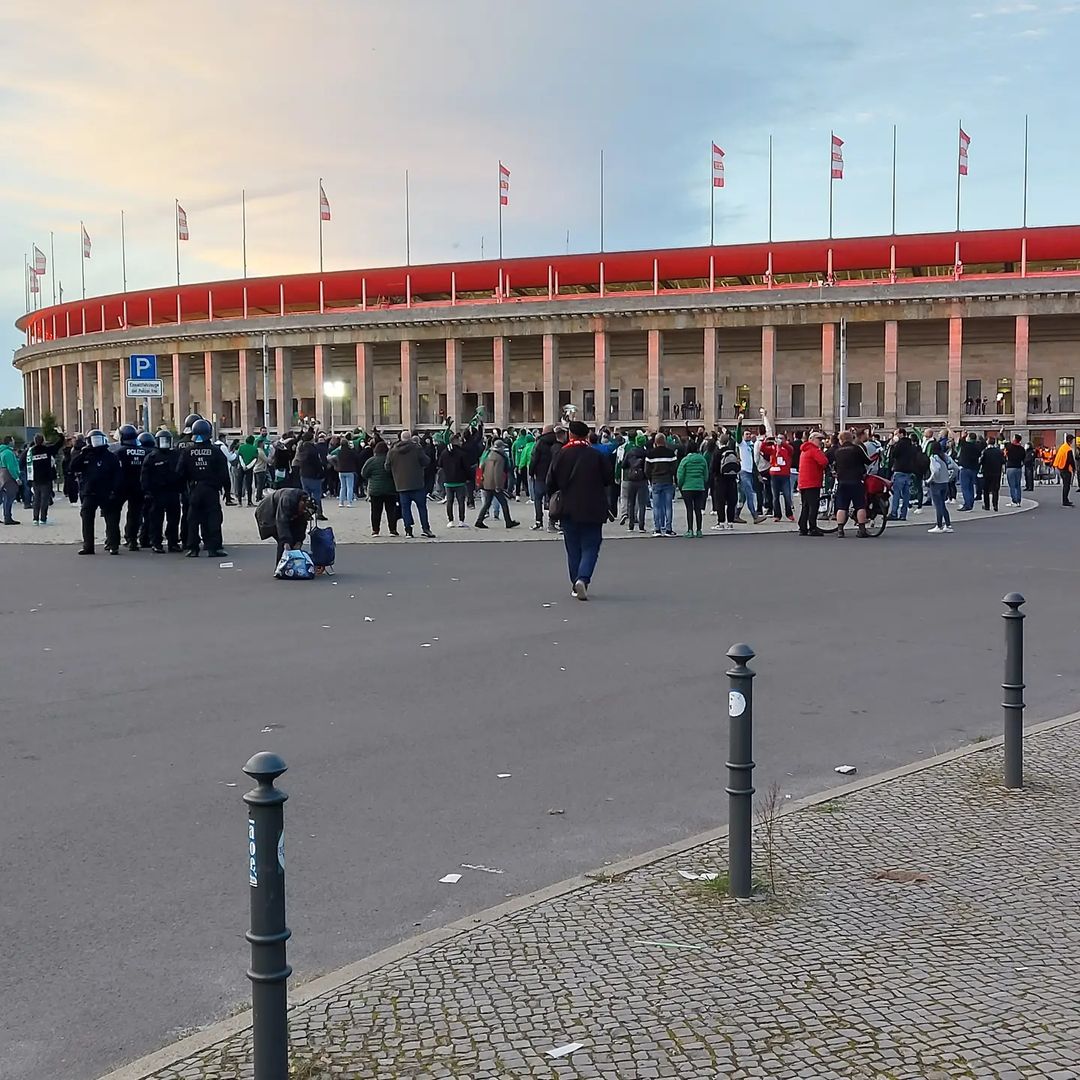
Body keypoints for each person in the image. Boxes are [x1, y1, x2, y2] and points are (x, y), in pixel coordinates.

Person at [546, 420, 615, 601]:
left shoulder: (561, 454)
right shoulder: (596, 455)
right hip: (593, 506)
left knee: (573, 548)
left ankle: (575, 583)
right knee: (591, 546)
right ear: (586, 436)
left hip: (568, 507)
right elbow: (609, 478)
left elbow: (550, 482)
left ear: (570, 435)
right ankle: (583, 578)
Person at [176, 418, 230, 557]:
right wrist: (227, 492)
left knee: (193, 519)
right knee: (213, 518)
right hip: (211, 490)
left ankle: (193, 548)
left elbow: (180, 473)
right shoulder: (216, 451)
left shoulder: (187, 452)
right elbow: (224, 474)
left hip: (194, 489)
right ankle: (214, 548)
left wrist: (184, 489)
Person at [70, 429, 122, 553]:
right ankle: (88, 546)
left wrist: (115, 491)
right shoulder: (87, 455)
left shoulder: (111, 456)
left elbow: (118, 475)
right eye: (94, 440)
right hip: (90, 492)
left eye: (99, 440)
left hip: (107, 492)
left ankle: (113, 545)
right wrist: (82, 454)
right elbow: (73, 467)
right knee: (87, 518)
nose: (96, 443)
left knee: (112, 520)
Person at [141, 428, 183, 553]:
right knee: (156, 520)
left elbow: (181, 472)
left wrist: (181, 488)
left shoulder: (176, 455)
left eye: (167, 441)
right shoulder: (152, 457)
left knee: (174, 519)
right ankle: (156, 543)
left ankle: (173, 542)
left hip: (173, 492)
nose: (165, 443)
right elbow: (145, 476)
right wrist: (147, 491)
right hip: (157, 493)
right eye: (162, 441)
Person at [387, 432, 435, 538]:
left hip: (401, 484)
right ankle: (426, 529)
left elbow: (387, 466)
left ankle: (408, 530)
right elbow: (426, 461)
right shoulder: (417, 449)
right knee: (422, 507)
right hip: (417, 483)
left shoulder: (393, 450)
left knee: (405, 508)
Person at [255, 488, 317, 565]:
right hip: (267, 512)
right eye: (303, 510)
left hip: (282, 512)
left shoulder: (302, 503)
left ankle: (292, 566)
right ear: (302, 502)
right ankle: (281, 567)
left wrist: (299, 541)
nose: (303, 512)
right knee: (284, 541)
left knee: (294, 540)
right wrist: (286, 542)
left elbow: (302, 524)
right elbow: (281, 522)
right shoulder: (287, 499)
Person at [112, 424, 150, 550]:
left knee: (114, 514)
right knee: (135, 514)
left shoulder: (119, 452)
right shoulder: (144, 452)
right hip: (139, 487)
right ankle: (132, 540)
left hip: (121, 487)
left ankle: (113, 541)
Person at [832, 430, 870, 538]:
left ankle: (840, 530)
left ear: (841, 440)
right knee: (860, 505)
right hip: (856, 480)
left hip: (842, 481)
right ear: (851, 438)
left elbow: (834, 466)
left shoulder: (838, 451)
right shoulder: (856, 449)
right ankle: (862, 529)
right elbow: (868, 460)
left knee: (842, 506)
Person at [475, 438, 520, 529]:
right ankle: (508, 522)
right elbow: (497, 473)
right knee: (503, 503)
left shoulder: (488, 454)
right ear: (500, 447)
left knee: (487, 503)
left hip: (487, 483)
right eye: (503, 447)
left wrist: (479, 481)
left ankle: (479, 521)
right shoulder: (500, 458)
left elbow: (481, 467)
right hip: (494, 484)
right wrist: (498, 486)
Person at [361, 439, 400, 536]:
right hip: (390, 489)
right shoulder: (391, 460)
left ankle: (375, 530)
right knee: (391, 510)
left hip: (375, 489)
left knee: (375, 511)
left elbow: (364, 473)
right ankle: (392, 530)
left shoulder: (371, 461)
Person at [27, 430, 64, 525]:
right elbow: (59, 443)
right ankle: (43, 518)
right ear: (43, 441)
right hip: (46, 478)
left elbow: (23, 462)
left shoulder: (31, 451)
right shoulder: (47, 450)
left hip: (35, 478)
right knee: (44, 499)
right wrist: (60, 434)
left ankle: (35, 518)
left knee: (36, 499)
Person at [644, 432, 677, 537]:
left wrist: (650, 479)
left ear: (655, 442)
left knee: (656, 507)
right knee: (668, 506)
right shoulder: (671, 453)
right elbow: (674, 469)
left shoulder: (650, 454)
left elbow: (646, 470)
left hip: (655, 481)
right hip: (667, 481)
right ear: (665, 441)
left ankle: (657, 529)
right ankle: (668, 529)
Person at [797, 431, 829, 537]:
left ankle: (802, 527)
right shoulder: (814, 450)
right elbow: (824, 461)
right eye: (819, 439)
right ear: (812, 439)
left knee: (805, 506)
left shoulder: (805, 450)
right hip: (812, 481)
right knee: (813, 506)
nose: (821, 442)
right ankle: (812, 527)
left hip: (803, 482)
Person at [529, 424, 561, 530]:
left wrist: (531, 472)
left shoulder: (539, 443)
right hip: (553, 476)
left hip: (540, 475)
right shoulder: (557, 443)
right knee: (554, 500)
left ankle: (539, 521)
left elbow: (534, 459)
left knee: (538, 499)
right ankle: (552, 522)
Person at [438, 433, 471, 527]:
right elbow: (466, 467)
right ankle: (461, 520)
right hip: (460, 481)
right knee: (461, 501)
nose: (461, 442)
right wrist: (468, 478)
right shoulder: (462, 453)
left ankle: (450, 521)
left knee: (449, 501)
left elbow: (440, 463)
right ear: (455, 441)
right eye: (459, 440)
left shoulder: (444, 452)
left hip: (448, 480)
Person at [675, 440, 708, 537]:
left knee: (689, 509)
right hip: (699, 487)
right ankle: (699, 530)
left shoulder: (685, 460)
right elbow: (706, 475)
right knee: (698, 509)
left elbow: (680, 475)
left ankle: (690, 530)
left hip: (687, 487)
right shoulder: (702, 459)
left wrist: (680, 485)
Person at [709, 434, 740, 530]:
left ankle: (721, 522)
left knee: (720, 502)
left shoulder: (717, 452)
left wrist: (714, 476)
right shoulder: (733, 452)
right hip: (732, 480)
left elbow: (713, 467)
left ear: (720, 441)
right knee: (731, 501)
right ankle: (730, 523)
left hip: (720, 480)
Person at [927, 442, 958, 533]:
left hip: (936, 483)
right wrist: (950, 478)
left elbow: (935, 470)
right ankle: (948, 524)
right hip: (945, 483)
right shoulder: (946, 456)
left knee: (938, 505)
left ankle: (939, 525)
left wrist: (929, 480)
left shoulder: (933, 458)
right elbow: (956, 468)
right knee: (942, 504)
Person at [887, 429, 917, 521]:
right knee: (906, 494)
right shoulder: (911, 445)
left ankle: (894, 513)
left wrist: (892, 446)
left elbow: (894, 455)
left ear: (901, 434)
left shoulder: (899, 444)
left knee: (896, 493)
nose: (895, 435)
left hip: (899, 469)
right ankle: (903, 514)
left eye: (896, 434)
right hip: (909, 471)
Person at [620, 433, 649, 531]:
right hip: (643, 479)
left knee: (630, 502)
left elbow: (623, 465)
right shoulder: (646, 453)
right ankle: (641, 526)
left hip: (631, 479)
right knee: (641, 504)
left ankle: (631, 525)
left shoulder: (630, 452)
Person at [295, 432, 326, 519]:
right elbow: (317, 463)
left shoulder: (301, 448)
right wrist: (322, 474)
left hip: (304, 474)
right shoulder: (313, 450)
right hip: (314, 475)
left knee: (306, 495)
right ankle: (318, 512)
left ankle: (307, 513)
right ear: (311, 439)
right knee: (316, 495)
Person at [956, 431, 982, 511]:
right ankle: (970, 503)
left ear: (969, 438)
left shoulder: (965, 445)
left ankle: (967, 504)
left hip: (965, 468)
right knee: (970, 487)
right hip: (974, 468)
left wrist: (949, 428)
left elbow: (957, 438)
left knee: (965, 487)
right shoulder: (978, 446)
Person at [0, 435, 23, 525]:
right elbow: (11, 467)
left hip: (2, 476)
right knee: (9, 498)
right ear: (9, 442)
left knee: (3, 497)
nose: (14, 442)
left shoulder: (1, 452)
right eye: (13, 440)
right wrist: (17, 478)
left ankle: (6, 516)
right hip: (8, 477)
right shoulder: (8, 453)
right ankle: (8, 517)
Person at [980, 435, 1004, 512]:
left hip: (987, 472)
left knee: (986, 490)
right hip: (997, 472)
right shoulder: (999, 451)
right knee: (995, 490)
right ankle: (995, 505)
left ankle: (987, 505)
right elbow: (1003, 461)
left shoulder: (985, 451)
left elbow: (981, 461)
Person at [334, 436, 360, 508]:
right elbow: (357, 458)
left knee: (343, 487)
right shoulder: (351, 452)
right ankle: (349, 502)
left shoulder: (339, 452)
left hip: (341, 470)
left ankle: (341, 502)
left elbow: (332, 455)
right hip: (350, 470)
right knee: (350, 487)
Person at [236, 435, 259, 507]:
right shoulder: (255, 449)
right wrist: (248, 466)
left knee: (239, 484)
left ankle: (239, 501)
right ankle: (249, 502)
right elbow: (255, 459)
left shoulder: (241, 447)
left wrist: (243, 466)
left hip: (241, 468)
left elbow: (240, 457)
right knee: (248, 485)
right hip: (249, 468)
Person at [1054, 434, 1076, 506]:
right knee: (1067, 485)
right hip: (1066, 469)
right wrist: (1074, 468)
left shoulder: (1063, 447)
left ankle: (1065, 499)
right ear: (1070, 440)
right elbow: (1071, 460)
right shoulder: (1068, 449)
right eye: (1072, 440)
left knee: (1065, 485)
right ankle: (1065, 500)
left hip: (1061, 468)